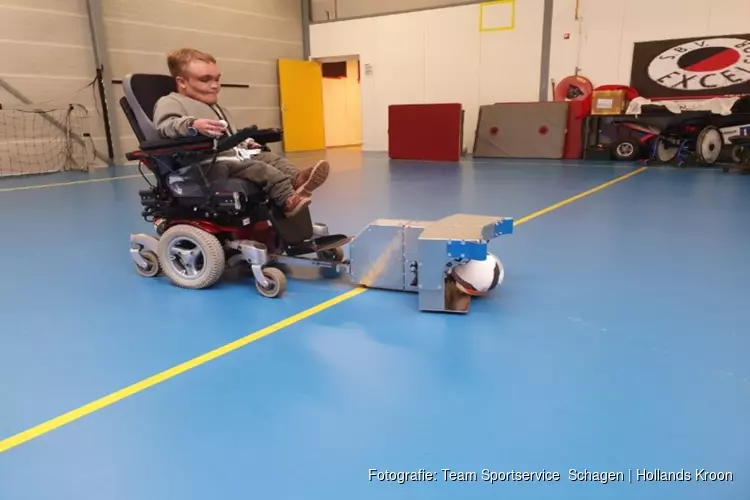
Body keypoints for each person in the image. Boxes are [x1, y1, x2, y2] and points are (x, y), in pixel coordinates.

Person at [152, 48, 329, 217]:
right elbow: (166, 125)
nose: (215, 86)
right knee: (259, 168)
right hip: (204, 164)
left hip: (230, 156)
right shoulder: (170, 102)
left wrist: (244, 143)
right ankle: (287, 200)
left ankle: (296, 179)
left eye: (217, 79)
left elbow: (229, 135)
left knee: (270, 158)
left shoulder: (217, 108)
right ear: (181, 82)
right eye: (205, 80)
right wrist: (192, 125)